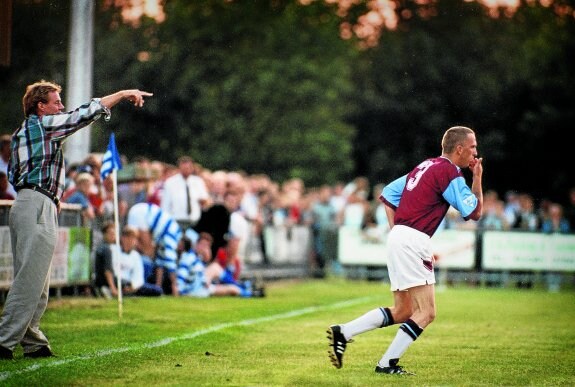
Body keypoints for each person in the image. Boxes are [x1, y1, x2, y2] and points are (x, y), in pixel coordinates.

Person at [0, 80, 152, 360]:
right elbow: (82, 115)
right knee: (31, 280)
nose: (61, 106)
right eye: (56, 102)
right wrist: (120, 95)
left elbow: (13, 175)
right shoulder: (43, 126)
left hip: (26, 202)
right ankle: (3, 341)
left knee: (37, 280)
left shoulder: (22, 132)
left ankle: (33, 342)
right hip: (37, 203)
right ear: (40, 106)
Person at [327, 126, 483, 375]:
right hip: (413, 239)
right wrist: (477, 178)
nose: (476, 151)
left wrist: (398, 232)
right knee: (427, 312)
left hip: (400, 237)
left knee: (404, 311)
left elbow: (388, 194)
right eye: (473, 146)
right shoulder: (449, 172)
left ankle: (343, 332)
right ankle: (386, 363)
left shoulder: (425, 166)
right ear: (459, 149)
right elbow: (473, 212)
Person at [126, 202, 182, 296]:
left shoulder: (167, 236)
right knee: (149, 258)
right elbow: (169, 262)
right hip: (141, 214)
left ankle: (158, 289)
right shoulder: (173, 235)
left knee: (156, 260)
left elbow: (160, 262)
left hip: (140, 212)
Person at [161, 155, 210, 230]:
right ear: (179, 168)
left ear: (192, 168)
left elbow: (205, 200)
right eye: (184, 168)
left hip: (194, 221)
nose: (186, 170)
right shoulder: (170, 183)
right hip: (177, 221)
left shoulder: (198, 181)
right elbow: (165, 205)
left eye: (188, 168)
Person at [112, 225, 163, 297]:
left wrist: (133, 286)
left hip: (131, 284)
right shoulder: (113, 250)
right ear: (122, 238)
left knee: (157, 290)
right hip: (117, 281)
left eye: (133, 238)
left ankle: (129, 293)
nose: (130, 240)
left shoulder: (136, 256)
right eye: (128, 237)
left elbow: (138, 277)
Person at [93, 222, 119, 299]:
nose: (113, 236)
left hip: (98, 281)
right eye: (111, 233)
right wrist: (113, 288)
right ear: (104, 234)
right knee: (128, 285)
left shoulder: (101, 247)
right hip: (104, 282)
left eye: (114, 233)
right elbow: (108, 270)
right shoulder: (106, 249)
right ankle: (108, 290)